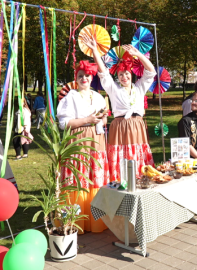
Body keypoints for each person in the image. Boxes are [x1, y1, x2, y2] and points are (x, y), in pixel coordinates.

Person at [84, 36, 155, 180]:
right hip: (120, 127)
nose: (124, 77)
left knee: (138, 157)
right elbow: (103, 73)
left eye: (127, 74)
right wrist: (94, 51)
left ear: (131, 74)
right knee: (121, 158)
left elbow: (151, 71)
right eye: (121, 75)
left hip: (137, 126)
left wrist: (138, 55)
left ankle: (140, 181)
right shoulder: (114, 89)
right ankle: (121, 183)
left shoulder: (140, 87)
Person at [57, 60, 109, 233]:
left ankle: (96, 220)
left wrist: (102, 119)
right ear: (76, 78)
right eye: (80, 76)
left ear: (91, 76)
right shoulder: (70, 97)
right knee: (79, 177)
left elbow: (104, 119)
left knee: (94, 177)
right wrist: (87, 120)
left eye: (87, 75)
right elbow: (64, 123)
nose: (84, 79)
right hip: (78, 140)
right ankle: (77, 221)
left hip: (96, 140)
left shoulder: (98, 96)